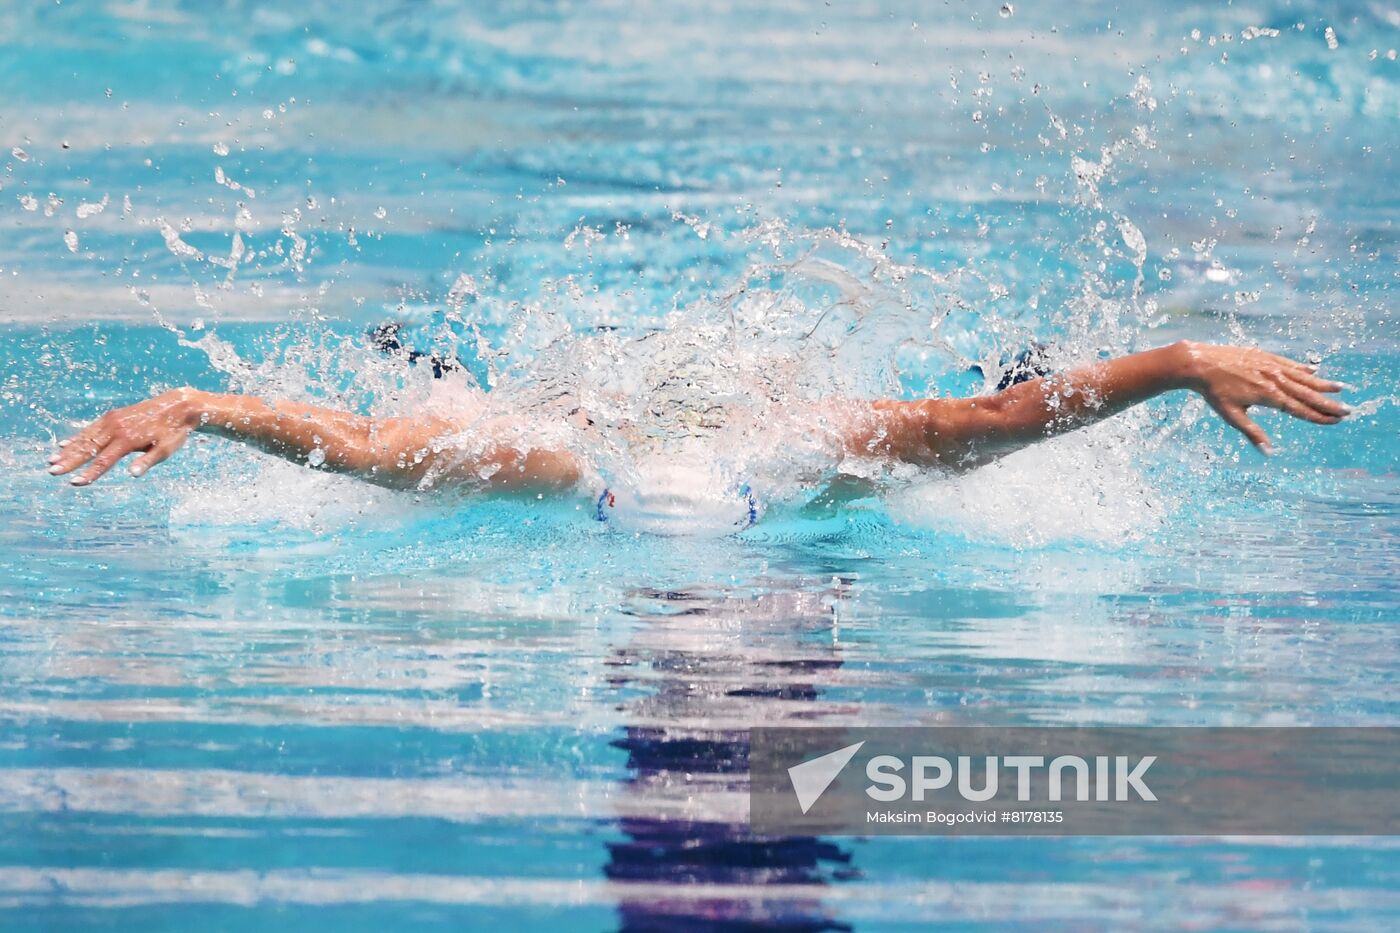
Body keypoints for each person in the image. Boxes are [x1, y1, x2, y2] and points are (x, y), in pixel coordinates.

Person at [46, 340, 1350, 526]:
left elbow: (1002, 415)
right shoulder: (570, 466)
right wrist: (198, 406)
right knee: (441, 414)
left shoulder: (803, 459)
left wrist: (1186, 360)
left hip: (741, 439)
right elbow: (370, 442)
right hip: (651, 434)